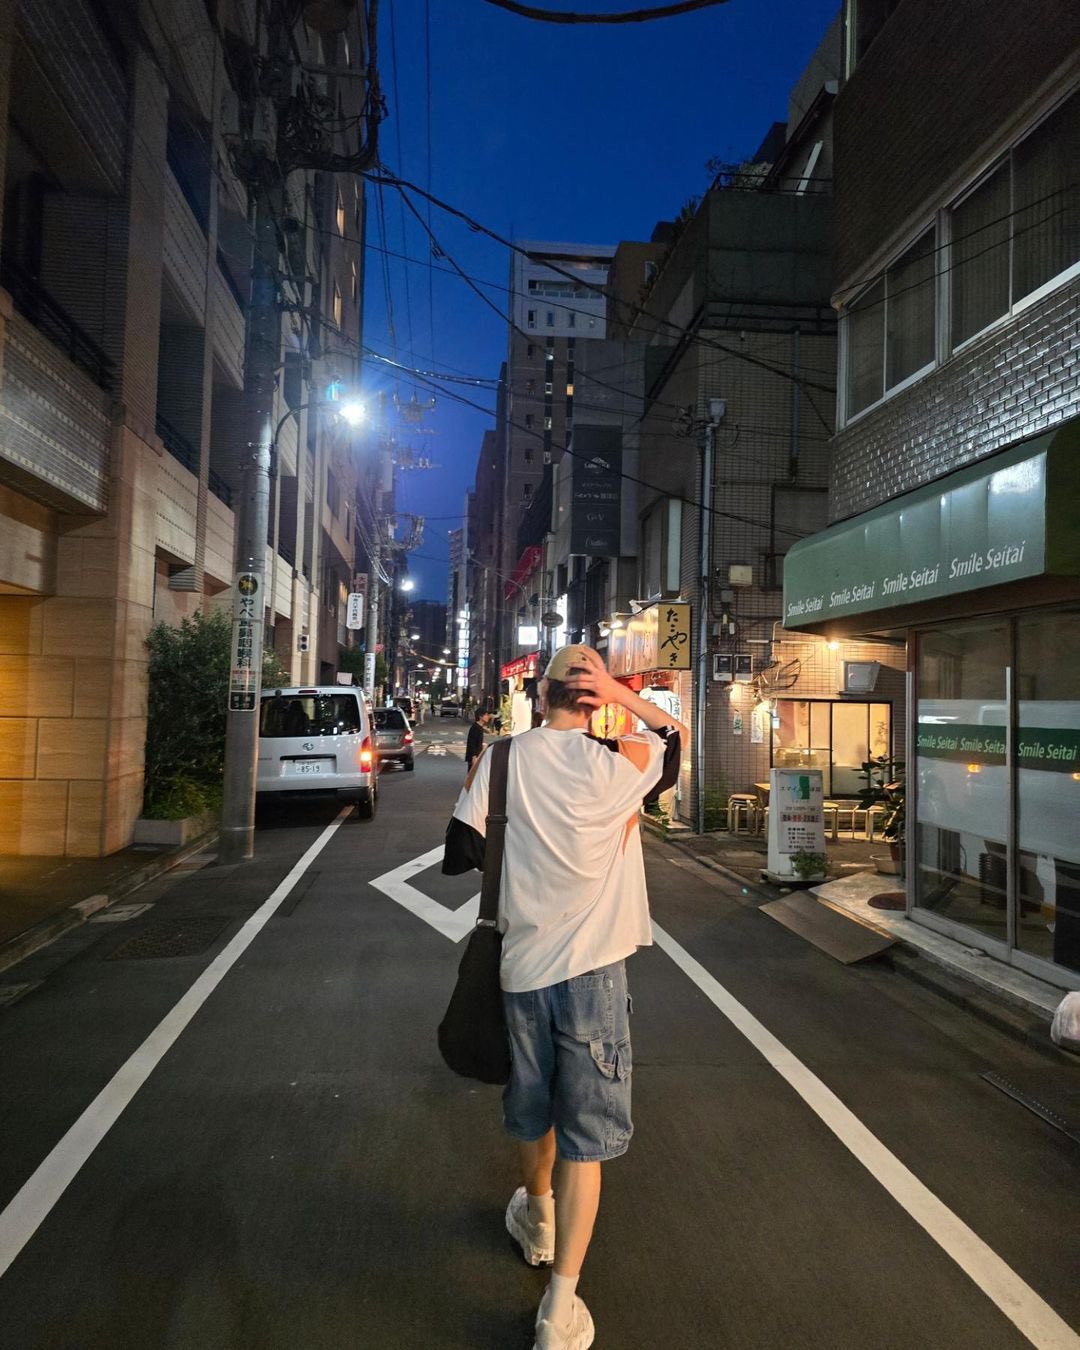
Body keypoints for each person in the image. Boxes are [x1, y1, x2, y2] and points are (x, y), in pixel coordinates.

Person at [443, 644, 688, 1350]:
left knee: (532, 1106)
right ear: (595, 699)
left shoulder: (503, 759)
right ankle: (560, 1309)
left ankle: (538, 1218)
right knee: (587, 1134)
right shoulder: (622, 766)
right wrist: (623, 692)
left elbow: (461, 850)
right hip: (595, 978)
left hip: (520, 969)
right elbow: (672, 738)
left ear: (539, 692)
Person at [465, 707, 486, 772]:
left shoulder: (480, 727)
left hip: (478, 755)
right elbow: (471, 743)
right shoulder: (475, 728)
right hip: (474, 757)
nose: (488, 717)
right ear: (480, 716)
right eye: (486, 715)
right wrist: (474, 756)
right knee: (472, 776)